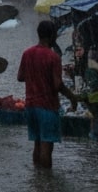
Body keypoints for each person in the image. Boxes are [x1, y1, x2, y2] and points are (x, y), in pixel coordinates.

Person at [17, 19, 80, 169]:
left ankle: (37, 180)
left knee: (37, 144)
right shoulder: (53, 57)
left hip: (30, 106)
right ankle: (46, 184)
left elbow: (20, 77)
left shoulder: (27, 53)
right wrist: (72, 97)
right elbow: (57, 84)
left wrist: (35, 75)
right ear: (52, 36)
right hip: (46, 107)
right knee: (47, 147)